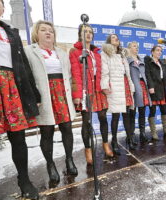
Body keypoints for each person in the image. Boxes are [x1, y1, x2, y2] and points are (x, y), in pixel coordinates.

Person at [0, 0, 39, 199]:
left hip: (12, 87)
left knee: (19, 139)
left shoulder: (12, 33)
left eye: (1, 1)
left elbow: (23, 64)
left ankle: (24, 180)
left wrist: (34, 94)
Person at [24, 20, 78, 184]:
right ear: (36, 33)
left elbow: (69, 76)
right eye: (43, 30)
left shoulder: (61, 52)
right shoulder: (29, 51)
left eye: (51, 31)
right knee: (47, 131)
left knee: (67, 128)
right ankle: (50, 164)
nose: (48, 33)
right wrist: (33, 97)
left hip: (62, 94)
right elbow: (27, 76)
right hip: (44, 95)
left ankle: (69, 159)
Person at [69, 24, 113, 165]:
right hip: (85, 91)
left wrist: (106, 86)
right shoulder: (75, 52)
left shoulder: (97, 54)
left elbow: (103, 73)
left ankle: (106, 144)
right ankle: (88, 150)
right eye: (85, 32)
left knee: (103, 118)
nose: (88, 34)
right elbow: (75, 74)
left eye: (90, 32)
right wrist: (77, 94)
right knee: (86, 122)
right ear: (79, 34)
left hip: (98, 90)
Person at [101, 34, 136, 154]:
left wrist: (131, 86)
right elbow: (104, 72)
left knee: (126, 114)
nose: (116, 39)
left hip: (125, 85)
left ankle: (129, 138)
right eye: (113, 37)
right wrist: (105, 85)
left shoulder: (122, 54)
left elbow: (127, 73)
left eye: (117, 37)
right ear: (109, 41)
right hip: (115, 86)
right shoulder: (106, 54)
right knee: (115, 116)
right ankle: (114, 141)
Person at [145, 45, 166, 140]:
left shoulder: (162, 62)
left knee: (164, 109)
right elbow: (148, 75)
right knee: (152, 111)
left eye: (160, 51)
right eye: (157, 50)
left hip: (162, 88)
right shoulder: (148, 61)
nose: (159, 52)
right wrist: (151, 86)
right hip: (154, 88)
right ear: (152, 52)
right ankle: (153, 132)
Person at [127, 42, 151, 143]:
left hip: (142, 86)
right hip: (133, 87)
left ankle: (142, 133)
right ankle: (131, 135)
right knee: (132, 113)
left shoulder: (141, 60)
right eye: (134, 46)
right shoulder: (127, 60)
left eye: (137, 46)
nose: (136, 48)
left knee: (142, 111)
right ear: (129, 48)